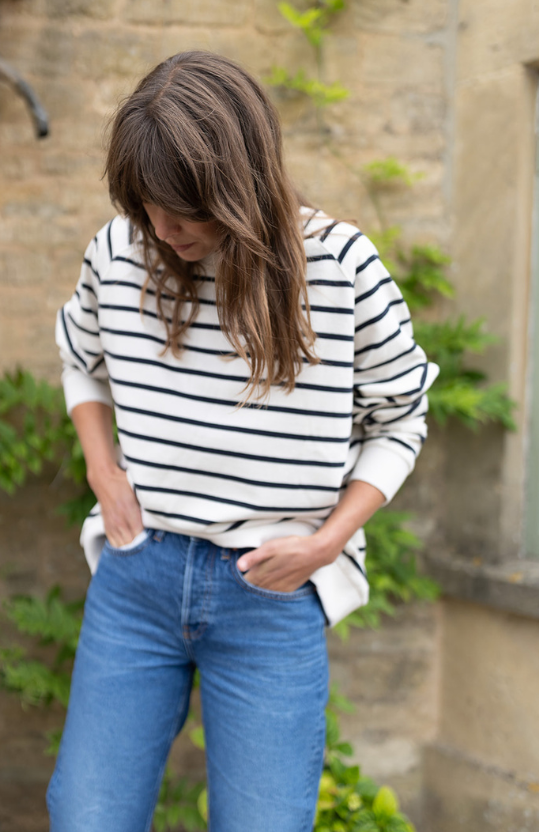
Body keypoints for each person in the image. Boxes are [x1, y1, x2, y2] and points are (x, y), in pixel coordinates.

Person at [48, 50, 438, 832]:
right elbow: (79, 358)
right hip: (137, 577)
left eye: (182, 210)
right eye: (146, 205)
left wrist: (326, 543)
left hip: (270, 595)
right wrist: (102, 469)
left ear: (238, 182)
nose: (164, 230)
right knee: (87, 816)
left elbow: (401, 418)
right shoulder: (119, 250)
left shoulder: (341, 267)